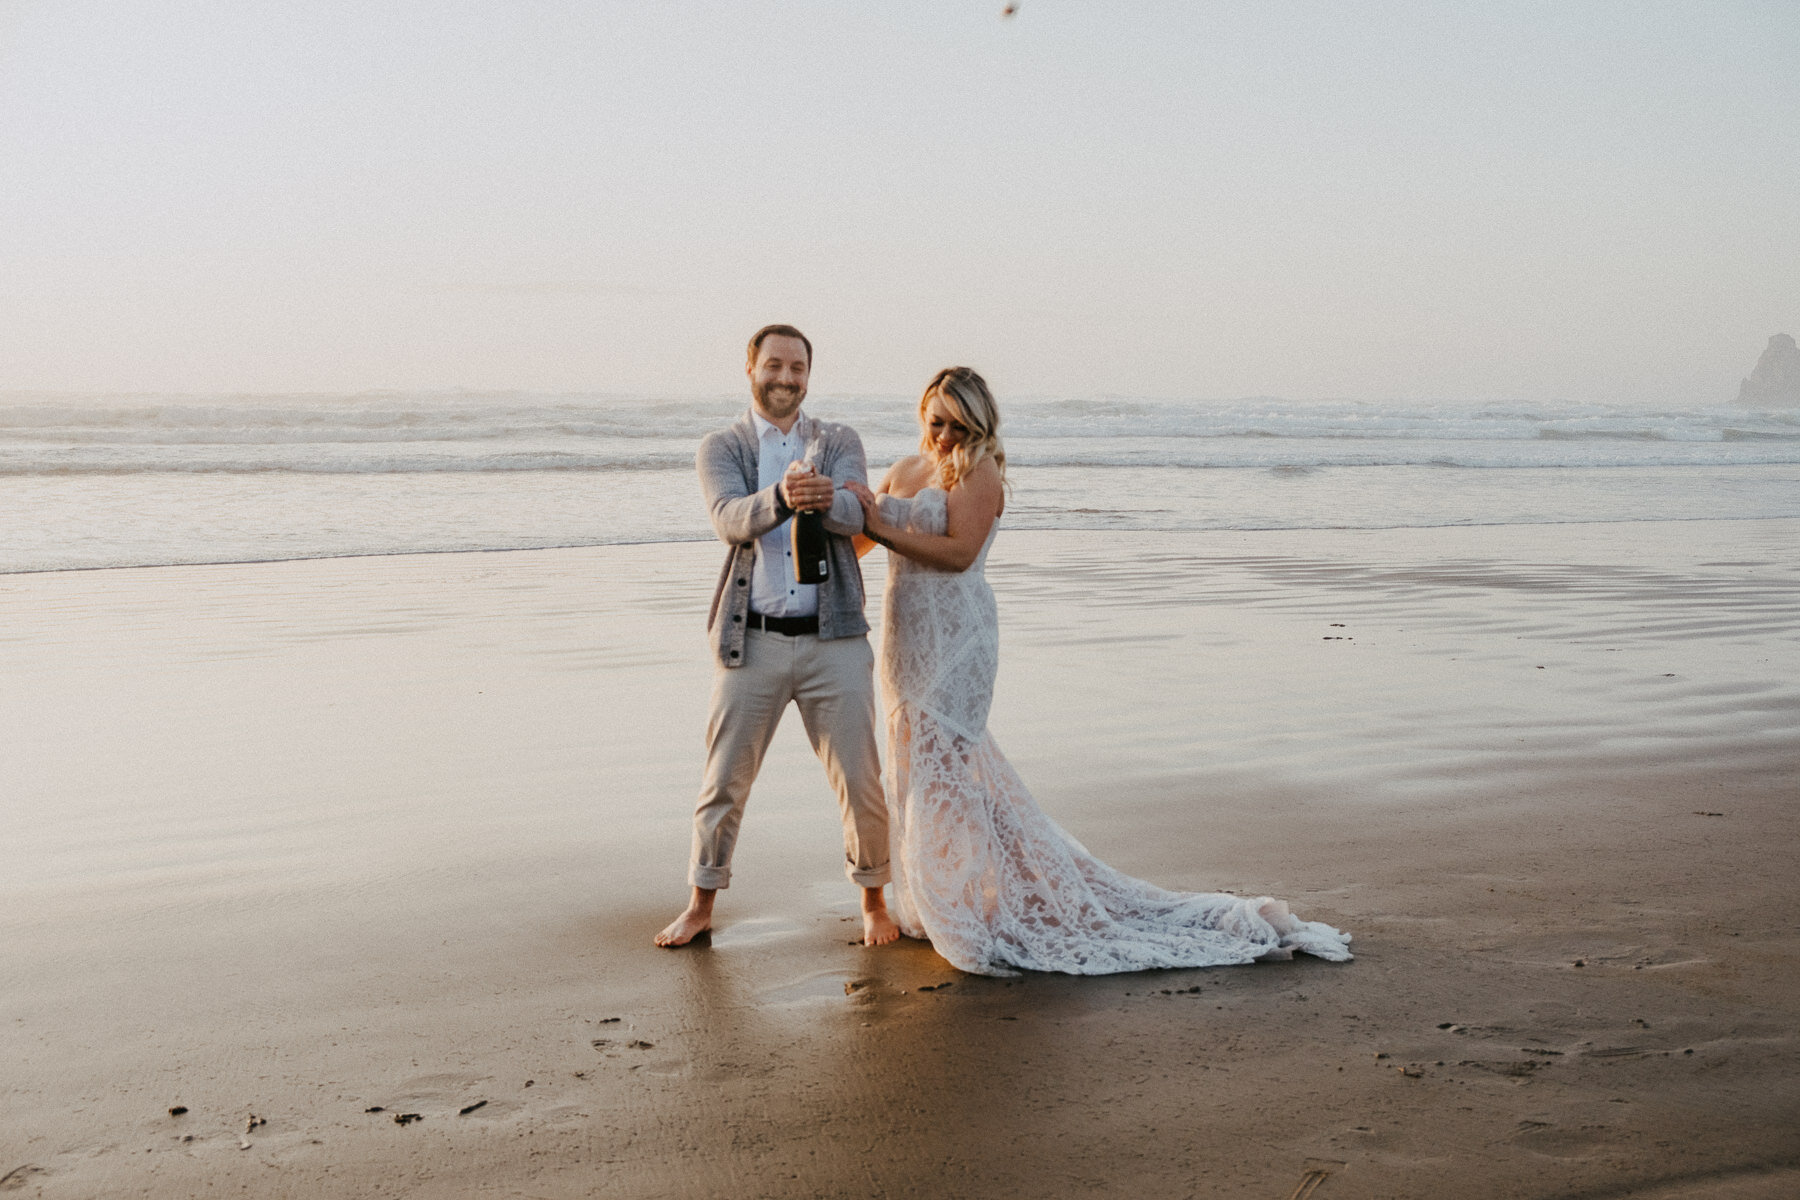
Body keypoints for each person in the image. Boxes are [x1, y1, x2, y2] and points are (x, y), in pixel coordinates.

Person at [845, 367, 1352, 975]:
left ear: (979, 423)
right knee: (912, 763)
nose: (947, 435)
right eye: (938, 421)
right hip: (907, 639)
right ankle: (936, 896)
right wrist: (842, 517)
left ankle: (959, 903)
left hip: (958, 642)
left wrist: (879, 524)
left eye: (959, 424)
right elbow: (862, 547)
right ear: (922, 413)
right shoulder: (903, 470)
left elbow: (957, 555)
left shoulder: (981, 472)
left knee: (947, 765)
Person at [656, 325, 902, 949]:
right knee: (724, 780)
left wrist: (829, 501)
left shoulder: (839, 439)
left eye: (797, 367)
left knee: (861, 778)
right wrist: (783, 497)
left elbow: (859, 513)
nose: (786, 378)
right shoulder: (722, 446)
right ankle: (700, 903)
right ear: (751, 368)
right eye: (774, 365)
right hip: (752, 643)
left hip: (834, 638)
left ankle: (874, 900)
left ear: (808, 375)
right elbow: (728, 519)